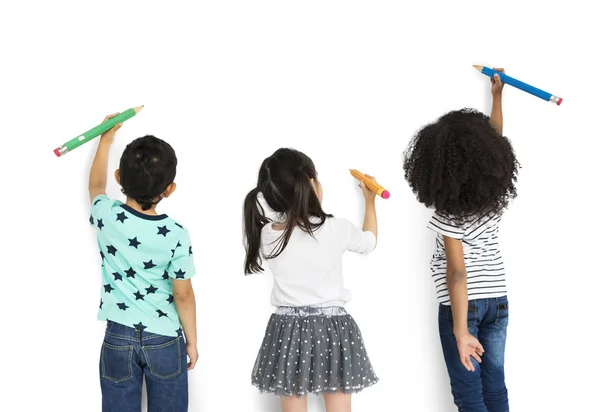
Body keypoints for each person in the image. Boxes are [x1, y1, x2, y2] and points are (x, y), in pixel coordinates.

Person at [403, 69, 518, 412]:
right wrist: (497, 98)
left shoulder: (447, 215)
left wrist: (459, 330)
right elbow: (495, 139)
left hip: (463, 306)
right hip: (497, 300)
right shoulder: (493, 198)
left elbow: (457, 274)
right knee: (494, 385)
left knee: (469, 394)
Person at [243, 148, 380, 412]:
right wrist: (370, 201)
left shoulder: (267, 235)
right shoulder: (336, 228)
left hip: (287, 330)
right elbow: (369, 242)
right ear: (311, 183)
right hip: (334, 329)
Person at [88, 115, 198, 412]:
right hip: (164, 337)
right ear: (170, 188)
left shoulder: (106, 216)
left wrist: (105, 139)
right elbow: (183, 294)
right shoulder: (175, 234)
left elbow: (96, 185)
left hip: (118, 335)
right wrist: (192, 341)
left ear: (119, 178)